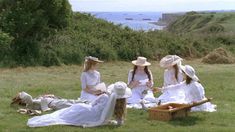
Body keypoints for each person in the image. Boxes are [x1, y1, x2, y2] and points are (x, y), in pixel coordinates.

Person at [27, 81, 132, 127]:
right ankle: (41, 102)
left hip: (86, 110)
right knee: (63, 114)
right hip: (93, 115)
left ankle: (40, 101)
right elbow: (119, 122)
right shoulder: (119, 107)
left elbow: (93, 103)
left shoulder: (105, 97)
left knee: (62, 114)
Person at [11, 91, 85, 115]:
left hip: (55, 101)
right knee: (72, 105)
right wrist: (20, 95)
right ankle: (87, 106)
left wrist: (47, 96)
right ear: (23, 101)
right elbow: (27, 96)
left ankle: (87, 103)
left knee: (72, 101)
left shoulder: (33, 101)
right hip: (53, 104)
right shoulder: (30, 104)